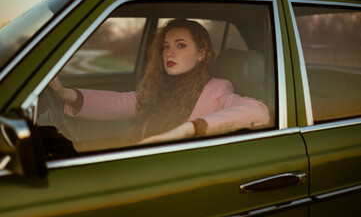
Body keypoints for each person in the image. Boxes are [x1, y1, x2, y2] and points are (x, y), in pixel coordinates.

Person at [49, 18, 269, 146]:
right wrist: (67, 94)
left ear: (201, 53)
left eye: (180, 45)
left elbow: (258, 111)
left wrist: (190, 129)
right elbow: (127, 103)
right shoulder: (162, 86)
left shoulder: (218, 90)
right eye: (165, 46)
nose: (169, 53)